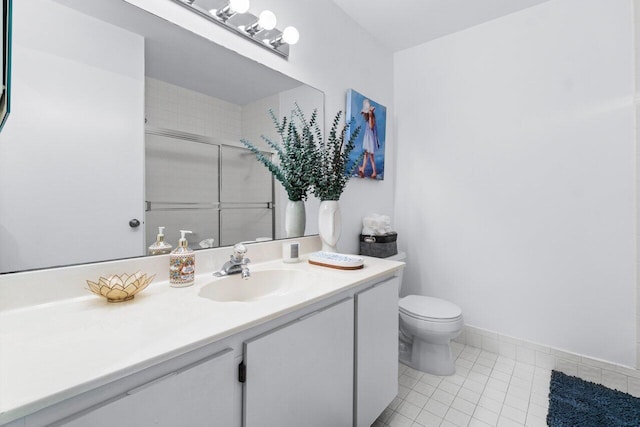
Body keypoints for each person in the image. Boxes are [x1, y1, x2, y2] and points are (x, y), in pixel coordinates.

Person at [358, 98, 379, 179]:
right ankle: (363, 169)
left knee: (371, 156)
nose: (363, 115)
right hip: (368, 138)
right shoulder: (369, 117)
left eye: (364, 113)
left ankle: (374, 172)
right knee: (366, 154)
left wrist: (370, 115)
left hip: (370, 139)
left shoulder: (371, 117)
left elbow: (371, 126)